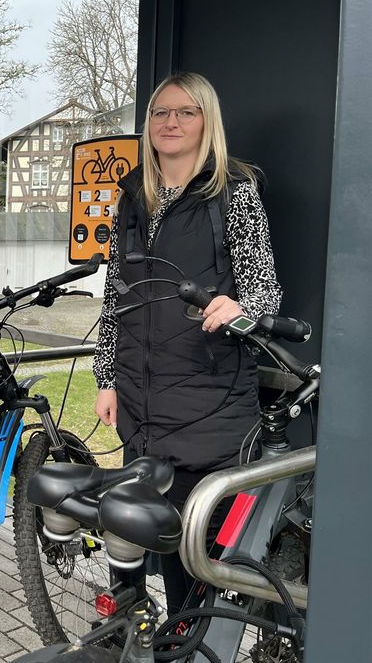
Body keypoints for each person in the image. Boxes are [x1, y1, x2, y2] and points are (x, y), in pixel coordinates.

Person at [92, 72, 282, 615]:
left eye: (185, 112)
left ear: (207, 122)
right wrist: (106, 379)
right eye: (160, 112)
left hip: (208, 409)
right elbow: (115, 296)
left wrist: (242, 307)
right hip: (139, 409)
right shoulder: (132, 197)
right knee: (126, 539)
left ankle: (184, 648)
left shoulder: (234, 193)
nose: (170, 122)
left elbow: (264, 288)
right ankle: (128, 642)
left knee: (190, 566)